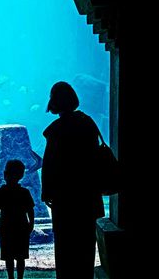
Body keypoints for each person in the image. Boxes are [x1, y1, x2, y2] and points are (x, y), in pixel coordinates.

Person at [41, 81, 105, 279]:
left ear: (54, 103)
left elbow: (49, 165)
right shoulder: (88, 123)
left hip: (65, 198)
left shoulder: (55, 130)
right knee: (86, 245)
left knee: (65, 246)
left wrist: (47, 192)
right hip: (88, 195)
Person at [0, 159, 35, 279]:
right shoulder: (25, 192)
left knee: (8, 256)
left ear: (5, 174)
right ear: (22, 175)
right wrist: (31, 224)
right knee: (21, 256)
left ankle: (11, 277)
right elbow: (30, 211)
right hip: (22, 227)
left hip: (6, 227)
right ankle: (20, 277)